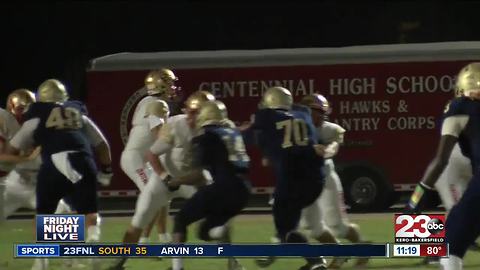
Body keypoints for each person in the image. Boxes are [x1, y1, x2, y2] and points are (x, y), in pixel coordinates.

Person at [5, 79, 112, 270]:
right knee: (88, 212)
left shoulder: (35, 119)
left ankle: (43, 261)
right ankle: (93, 238)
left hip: (51, 165)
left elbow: (12, 148)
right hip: (82, 160)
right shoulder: (80, 115)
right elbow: (102, 145)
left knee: (46, 216)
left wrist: (30, 148)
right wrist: (106, 171)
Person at [109, 90, 216, 270]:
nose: (191, 117)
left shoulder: (212, 133)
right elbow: (153, 153)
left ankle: (232, 260)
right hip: (165, 178)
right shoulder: (176, 124)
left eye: (197, 113)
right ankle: (121, 261)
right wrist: (164, 176)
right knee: (140, 217)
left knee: (217, 217)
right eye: (189, 111)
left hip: (191, 179)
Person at [241, 86, 327, 270]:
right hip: (316, 179)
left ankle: (316, 260)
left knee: (286, 231)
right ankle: (310, 263)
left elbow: (247, 136)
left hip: (291, 179)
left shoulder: (267, 116)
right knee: (289, 223)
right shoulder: (303, 113)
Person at [406, 62, 480, 270]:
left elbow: (440, 161)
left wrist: (414, 202)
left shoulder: (460, 106)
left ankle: (431, 251)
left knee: (450, 247)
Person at [165, 100, 251, 270]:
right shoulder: (233, 133)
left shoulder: (205, 137)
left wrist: (176, 181)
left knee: (180, 220)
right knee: (205, 231)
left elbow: (198, 174)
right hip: (243, 190)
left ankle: (177, 267)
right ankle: (219, 234)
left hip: (222, 187)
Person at [299, 94, 369, 268]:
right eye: (317, 111)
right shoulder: (296, 128)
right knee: (312, 226)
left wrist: (327, 152)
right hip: (304, 182)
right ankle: (338, 252)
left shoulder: (330, 129)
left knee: (337, 225)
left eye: (323, 112)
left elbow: (334, 146)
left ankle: (362, 247)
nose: (321, 115)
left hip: (326, 179)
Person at [120, 69, 175, 243]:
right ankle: (142, 241)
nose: (173, 87)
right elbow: (158, 132)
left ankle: (162, 238)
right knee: (152, 197)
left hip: (142, 158)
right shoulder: (155, 103)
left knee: (163, 195)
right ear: (162, 84)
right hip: (135, 159)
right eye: (171, 83)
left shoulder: (151, 101)